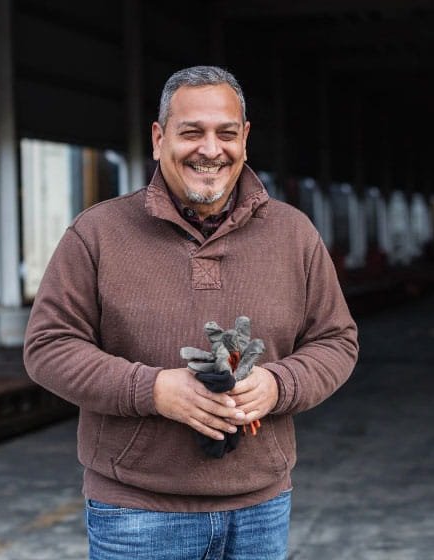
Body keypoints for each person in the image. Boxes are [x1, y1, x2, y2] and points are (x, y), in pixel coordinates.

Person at [23, 65, 358, 560]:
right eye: (191, 132)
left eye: (226, 133)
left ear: (245, 139)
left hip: (261, 509)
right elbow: (48, 347)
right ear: (159, 139)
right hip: (137, 513)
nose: (210, 149)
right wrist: (155, 390)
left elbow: (337, 341)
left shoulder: (294, 234)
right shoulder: (96, 233)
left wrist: (278, 385)